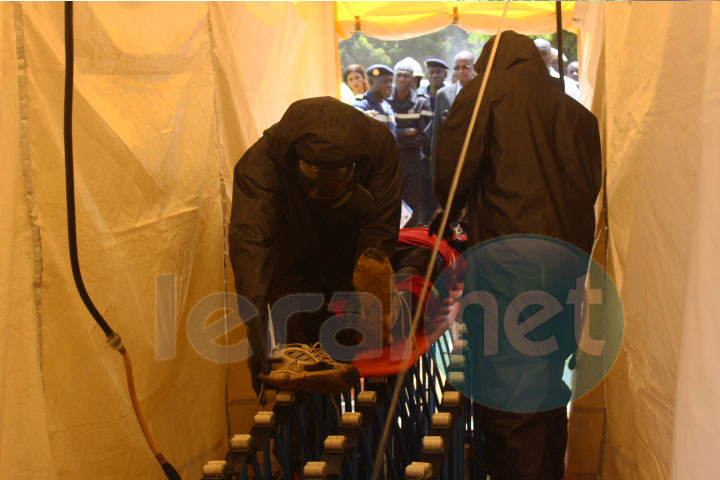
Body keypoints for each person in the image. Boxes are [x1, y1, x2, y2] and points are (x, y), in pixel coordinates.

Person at [433, 31, 601, 480]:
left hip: (508, 269)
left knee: (510, 400)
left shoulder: (486, 95)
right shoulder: (577, 111)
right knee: (546, 388)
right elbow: (590, 192)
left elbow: (449, 180)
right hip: (567, 270)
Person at [228, 97, 402, 395]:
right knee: (301, 365)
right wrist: (255, 324)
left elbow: (379, 227)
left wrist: (365, 294)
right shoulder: (261, 163)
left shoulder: (378, 145)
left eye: (336, 177)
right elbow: (251, 242)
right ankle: (304, 432)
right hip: (294, 261)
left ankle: (366, 430)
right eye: (315, 174)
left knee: (362, 354)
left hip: (353, 253)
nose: (325, 186)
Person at [388, 58, 432, 227]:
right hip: (391, 163)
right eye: (398, 75)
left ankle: (410, 244)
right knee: (391, 204)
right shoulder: (385, 101)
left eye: (405, 76)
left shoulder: (422, 102)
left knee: (411, 206)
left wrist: (394, 138)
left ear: (412, 78)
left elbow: (424, 138)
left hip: (413, 165)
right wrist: (405, 132)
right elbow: (382, 134)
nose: (401, 79)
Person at [353, 64, 397, 136]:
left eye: (390, 81)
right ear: (371, 82)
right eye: (385, 81)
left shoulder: (388, 107)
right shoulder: (361, 105)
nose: (389, 85)